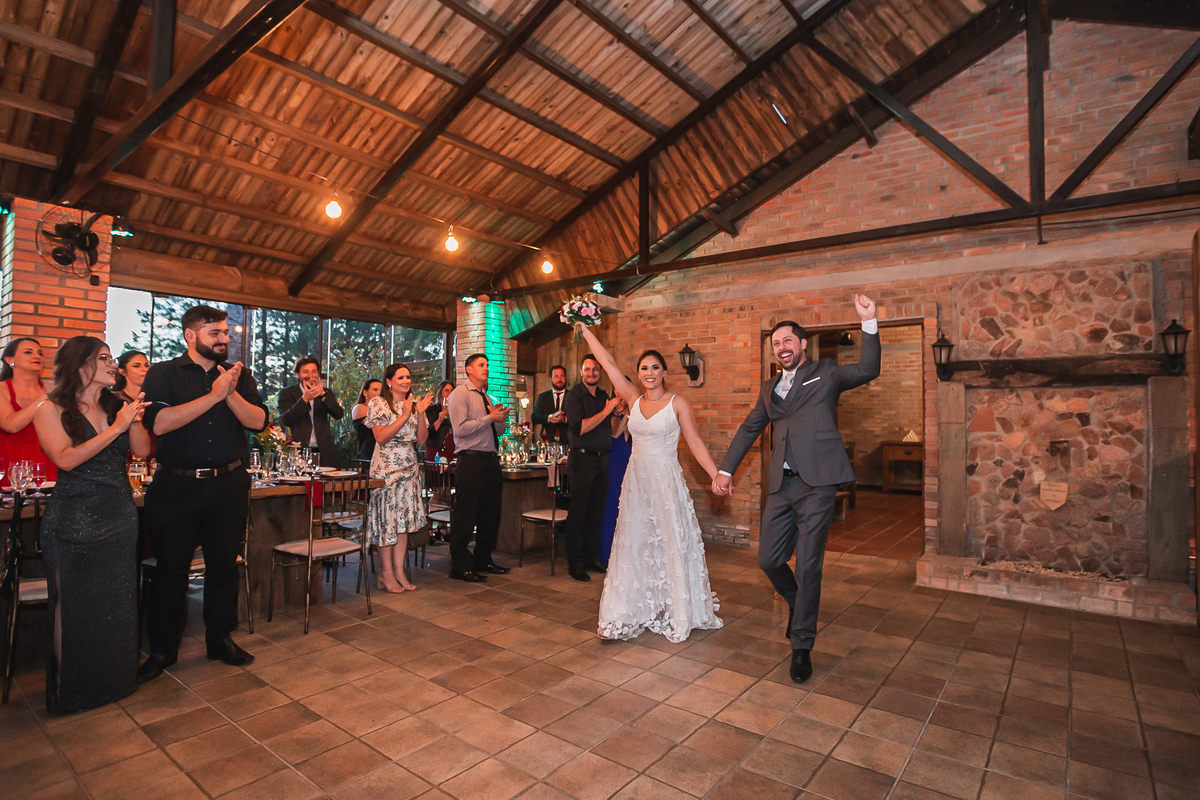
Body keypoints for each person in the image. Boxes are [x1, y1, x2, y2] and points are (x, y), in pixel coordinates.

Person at [713, 294, 880, 683]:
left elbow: (869, 369)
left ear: (802, 344)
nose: (782, 348)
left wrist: (869, 323)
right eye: (776, 344)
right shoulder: (769, 387)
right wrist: (725, 470)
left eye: (788, 341)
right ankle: (796, 603)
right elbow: (749, 429)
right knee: (769, 560)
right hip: (781, 486)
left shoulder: (827, 372)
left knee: (807, 566)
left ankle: (802, 645)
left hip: (818, 484)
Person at [138, 305, 268, 683]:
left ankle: (220, 638)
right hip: (176, 486)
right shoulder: (164, 373)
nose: (224, 339)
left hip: (227, 484)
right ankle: (163, 648)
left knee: (224, 566)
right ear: (191, 336)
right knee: (171, 571)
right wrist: (212, 396)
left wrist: (228, 392)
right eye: (215, 333)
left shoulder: (238, 377)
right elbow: (159, 422)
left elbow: (258, 421)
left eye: (226, 332)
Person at [576, 323, 724, 642]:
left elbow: (695, 443)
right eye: (644, 368)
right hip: (637, 482)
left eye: (655, 367)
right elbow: (609, 365)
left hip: (665, 480)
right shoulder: (631, 398)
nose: (650, 372)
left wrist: (716, 475)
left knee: (667, 542)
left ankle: (675, 608)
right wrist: (587, 333)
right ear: (639, 373)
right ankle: (624, 610)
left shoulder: (678, 404)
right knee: (634, 543)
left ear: (664, 372)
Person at [33, 337, 151, 714]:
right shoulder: (49, 409)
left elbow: (144, 451)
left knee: (117, 601)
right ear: (80, 364)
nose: (113, 364)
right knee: (73, 607)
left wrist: (132, 419)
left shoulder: (117, 405)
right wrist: (116, 429)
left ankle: (116, 681)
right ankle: (70, 692)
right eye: (104, 358)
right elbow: (66, 460)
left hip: (118, 515)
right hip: (73, 519)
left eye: (113, 357)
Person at [365, 363, 432, 592]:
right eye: (401, 377)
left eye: (408, 377)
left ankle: (399, 571)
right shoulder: (378, 403)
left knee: (403, 524)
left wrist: (419, 413)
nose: (406, 380)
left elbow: (422, 439)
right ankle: (385, 573)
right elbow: (381, 437)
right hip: (386, 470)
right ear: (389, 381)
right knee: (387, 523)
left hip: (409, 469)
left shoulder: (413, 405)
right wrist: (404, 415)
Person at [445, 354, 510, 582]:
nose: (486, 368)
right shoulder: (459, 395)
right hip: (470, 460)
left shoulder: (487, 396)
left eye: (487, 364)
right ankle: (460, 565)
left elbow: (498, 431)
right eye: (481, 365)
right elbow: (460, 430)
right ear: (469, 369)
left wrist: (500, 419)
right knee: (466, 513)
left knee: (490, 513)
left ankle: (484, 559)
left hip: (490, 460)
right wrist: (489, 418)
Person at [562, 354, 620, 581]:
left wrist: (615, 414)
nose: (591, 373)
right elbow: (580, 428)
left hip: (602, 458)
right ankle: (575, 563)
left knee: (597, 511)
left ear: (600, 372)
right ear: (581, 371)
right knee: (578, 512)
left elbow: (613, 431)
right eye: (587, 370)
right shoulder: (574, 395)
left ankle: (591, 556)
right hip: (582, 459)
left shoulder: (604, 395)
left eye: (595, 370)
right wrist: (606, 411)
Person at [0, 337, 57, 481]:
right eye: (28, 352)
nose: (36, 356)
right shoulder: (2, 389)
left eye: (39, 353)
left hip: (46, 464)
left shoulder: (51, 390)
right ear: (9, 360)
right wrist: (45, 396)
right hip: (12, 463)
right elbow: (10, 425)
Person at [277, 356, 344, 468]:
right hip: (299, 450)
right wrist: (304, 399)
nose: (311, 375)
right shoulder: (287, 393)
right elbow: (286, 419)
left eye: (314, 371)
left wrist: (323, 395)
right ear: (297, 375)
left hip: (324, 451)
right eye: (305, 372)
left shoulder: (326, 392)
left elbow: (338, 414)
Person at [599, 395, 631, 563]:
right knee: (611, 508)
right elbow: (615, 433)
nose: (617, 402)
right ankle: (607, 554)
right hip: (613, 465)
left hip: (629, 465)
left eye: (621, 397)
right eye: (615, 397)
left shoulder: (636, 416)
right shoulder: (611, 417)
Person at [530, 365, 569, 443]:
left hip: (568, 441)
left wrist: (564, 419)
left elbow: (579, 419)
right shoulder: (543, 397)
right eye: (556, 376)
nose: (559, 379)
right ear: (550, 379)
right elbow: (534, 417)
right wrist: (548, 418)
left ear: (566, 378)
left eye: (562, 376)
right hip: (547, 441)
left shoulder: (573, 396)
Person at [351, 378, 383, 464]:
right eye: (375, 389)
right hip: (369, 450)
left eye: (381, 390)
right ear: (365, 392)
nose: (379, 393)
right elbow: (375, 423)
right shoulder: (360, 407)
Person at [424, 380, 456, 463]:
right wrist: (440, 419)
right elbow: (428, 434)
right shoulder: (432, 410)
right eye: (446, 390)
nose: (449, 393)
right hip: (436, 450)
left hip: (453, 450)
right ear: (440, 393)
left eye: (452, 390)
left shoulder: (457, 410)